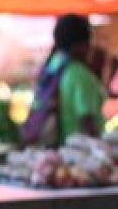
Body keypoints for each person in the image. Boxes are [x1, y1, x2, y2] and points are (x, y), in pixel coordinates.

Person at [21, 14, 107, 146]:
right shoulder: (80, 75)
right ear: (82, 44)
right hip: (78, 152)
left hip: (54, 151)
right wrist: (101, 150)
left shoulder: (52, 66)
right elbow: (87, 120)